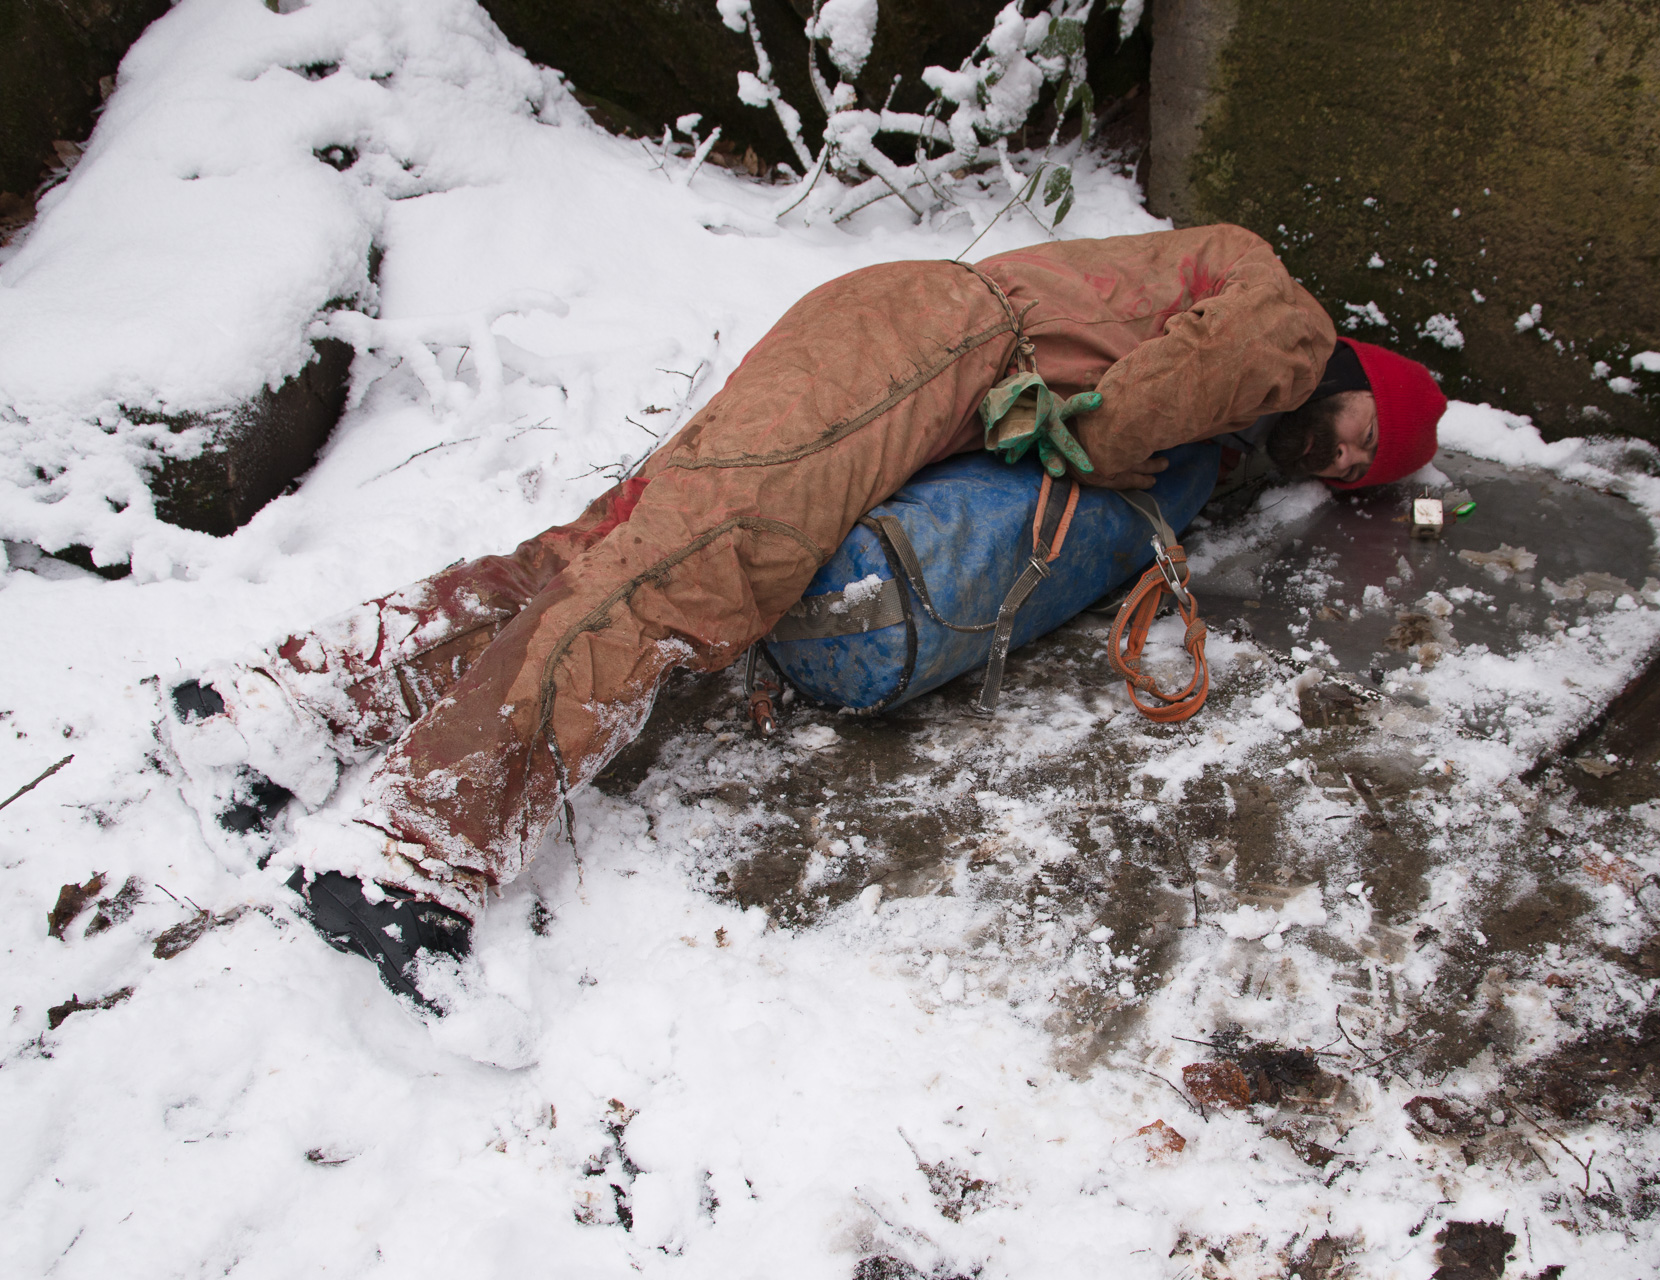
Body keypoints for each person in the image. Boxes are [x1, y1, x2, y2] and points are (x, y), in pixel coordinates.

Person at [167, 223, 1444, 1000]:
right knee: (696, 571)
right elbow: (1164, 398)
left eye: (1355, 476)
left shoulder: (1244, 371)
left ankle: (273, 704)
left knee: (622, 543)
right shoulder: (1288, 323)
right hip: (931, 346)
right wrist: (1104, 447)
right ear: (1351, 378)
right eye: (1357, 436)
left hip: (905, 337)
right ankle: (414, 857)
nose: (1337, 463)